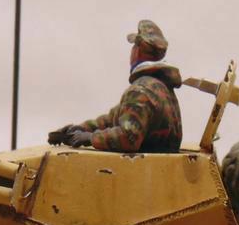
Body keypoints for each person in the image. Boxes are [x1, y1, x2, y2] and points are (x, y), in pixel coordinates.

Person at [48, 20, 183, 153]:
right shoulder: (159, 87)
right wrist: (81, 129)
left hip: (145, 166)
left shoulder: (141, 90)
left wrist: (90, 138)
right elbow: (114, 118)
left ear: (137, 51)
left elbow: (128, 137)